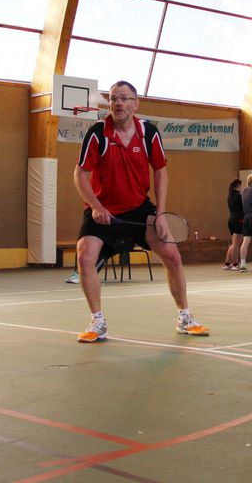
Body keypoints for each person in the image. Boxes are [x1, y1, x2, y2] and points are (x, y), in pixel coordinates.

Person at [72, 80, 209, 342]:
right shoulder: (98, 133)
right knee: (84, 256)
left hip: (138, 209)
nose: (118, 103)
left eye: (124, 98)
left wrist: (160, 214)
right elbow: (80, 174)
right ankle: (98, 322)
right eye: (113, 98)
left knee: (172, 255)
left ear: (136, 103)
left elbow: (160, 171)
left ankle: (185, 317)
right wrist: (96, 207)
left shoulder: (149, 133)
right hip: (103, 210)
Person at [223, 178, 245, 270]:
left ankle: (227, 263)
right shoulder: (238, 196)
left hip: (231, 220)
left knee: (234, 243)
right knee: (236, 244)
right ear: (238, 186)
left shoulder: (229, 196)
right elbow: (242, 209)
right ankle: (235, 264)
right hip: (238, 220)